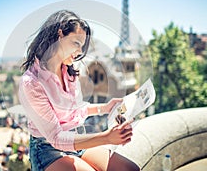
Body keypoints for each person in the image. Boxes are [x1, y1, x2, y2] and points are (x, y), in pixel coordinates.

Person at [18, 10, 140, 171]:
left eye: (81, 46)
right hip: (48, 150)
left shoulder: (69, 71)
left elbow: (75, 110)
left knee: (130, 169)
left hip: (76, 141)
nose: (79, 53)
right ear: (59, 35)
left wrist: (105, 108)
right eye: (76, 43)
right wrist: (107, 138)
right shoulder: (31, 82)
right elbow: (56, 138)